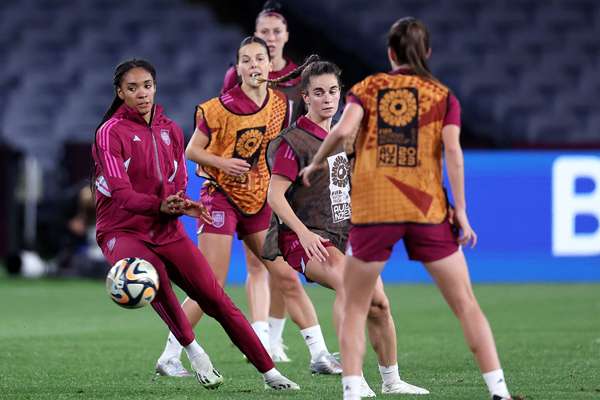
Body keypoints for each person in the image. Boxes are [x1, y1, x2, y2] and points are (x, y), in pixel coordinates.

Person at [301, 18, 513, 400]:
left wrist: (316, 163)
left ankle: (351, 390)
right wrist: (461, 211)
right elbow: (453, 152)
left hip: (374, 210)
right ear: (427, 52)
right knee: (466, 304)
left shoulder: (367, 89)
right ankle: (498, 390)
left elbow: (339, 132)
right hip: (426, 209)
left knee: (353, 304)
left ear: (389, 53)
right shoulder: (443, 96)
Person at [92, 58, 299, 391]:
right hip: (122, 231)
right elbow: (121, 194)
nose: (142, 93)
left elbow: (179, 179)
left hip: (166, 229)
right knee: (154, 275)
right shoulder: (109, 133)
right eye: (132, 88)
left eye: (147, 85)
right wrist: (160, 205)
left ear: (155, 87)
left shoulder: (170, 129)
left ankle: (270, 372)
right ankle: (194, 352)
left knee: (216, 299)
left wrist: (181, 204)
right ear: (119, 92)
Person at [155, 38, 341, 377]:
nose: (254, 64)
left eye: (260, 58)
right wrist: (222, 163)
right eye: (247, 59)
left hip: (258, 199)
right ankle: (170, 356)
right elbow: (192, 152)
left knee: (286, 277)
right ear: (237, 68)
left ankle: (319, 354)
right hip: (222, 196)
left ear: (270, 65)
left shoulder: (282, 105)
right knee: (210, 284)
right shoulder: (217, 108)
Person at [264, 59, 429, 397]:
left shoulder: (344, 135)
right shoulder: (293, 142)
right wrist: (303, 233)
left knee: (380, 305)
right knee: (353, 290)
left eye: (333, 91)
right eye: (319, 93)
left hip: (345, 234)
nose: (328, 99)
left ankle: (392, 381)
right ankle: (353, 383)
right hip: (306, 238)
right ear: (305, 97)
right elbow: (274, 196)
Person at [221, 1, 302, 361]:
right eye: (263, 31)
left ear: (286, 36)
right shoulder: (234, 75)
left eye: (275, 31)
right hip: (251, 182)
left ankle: (276, 336)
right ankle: (261, 338)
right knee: (258, 262)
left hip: (288, 180)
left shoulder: (302, 77)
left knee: (284, 262)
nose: (270, 38)